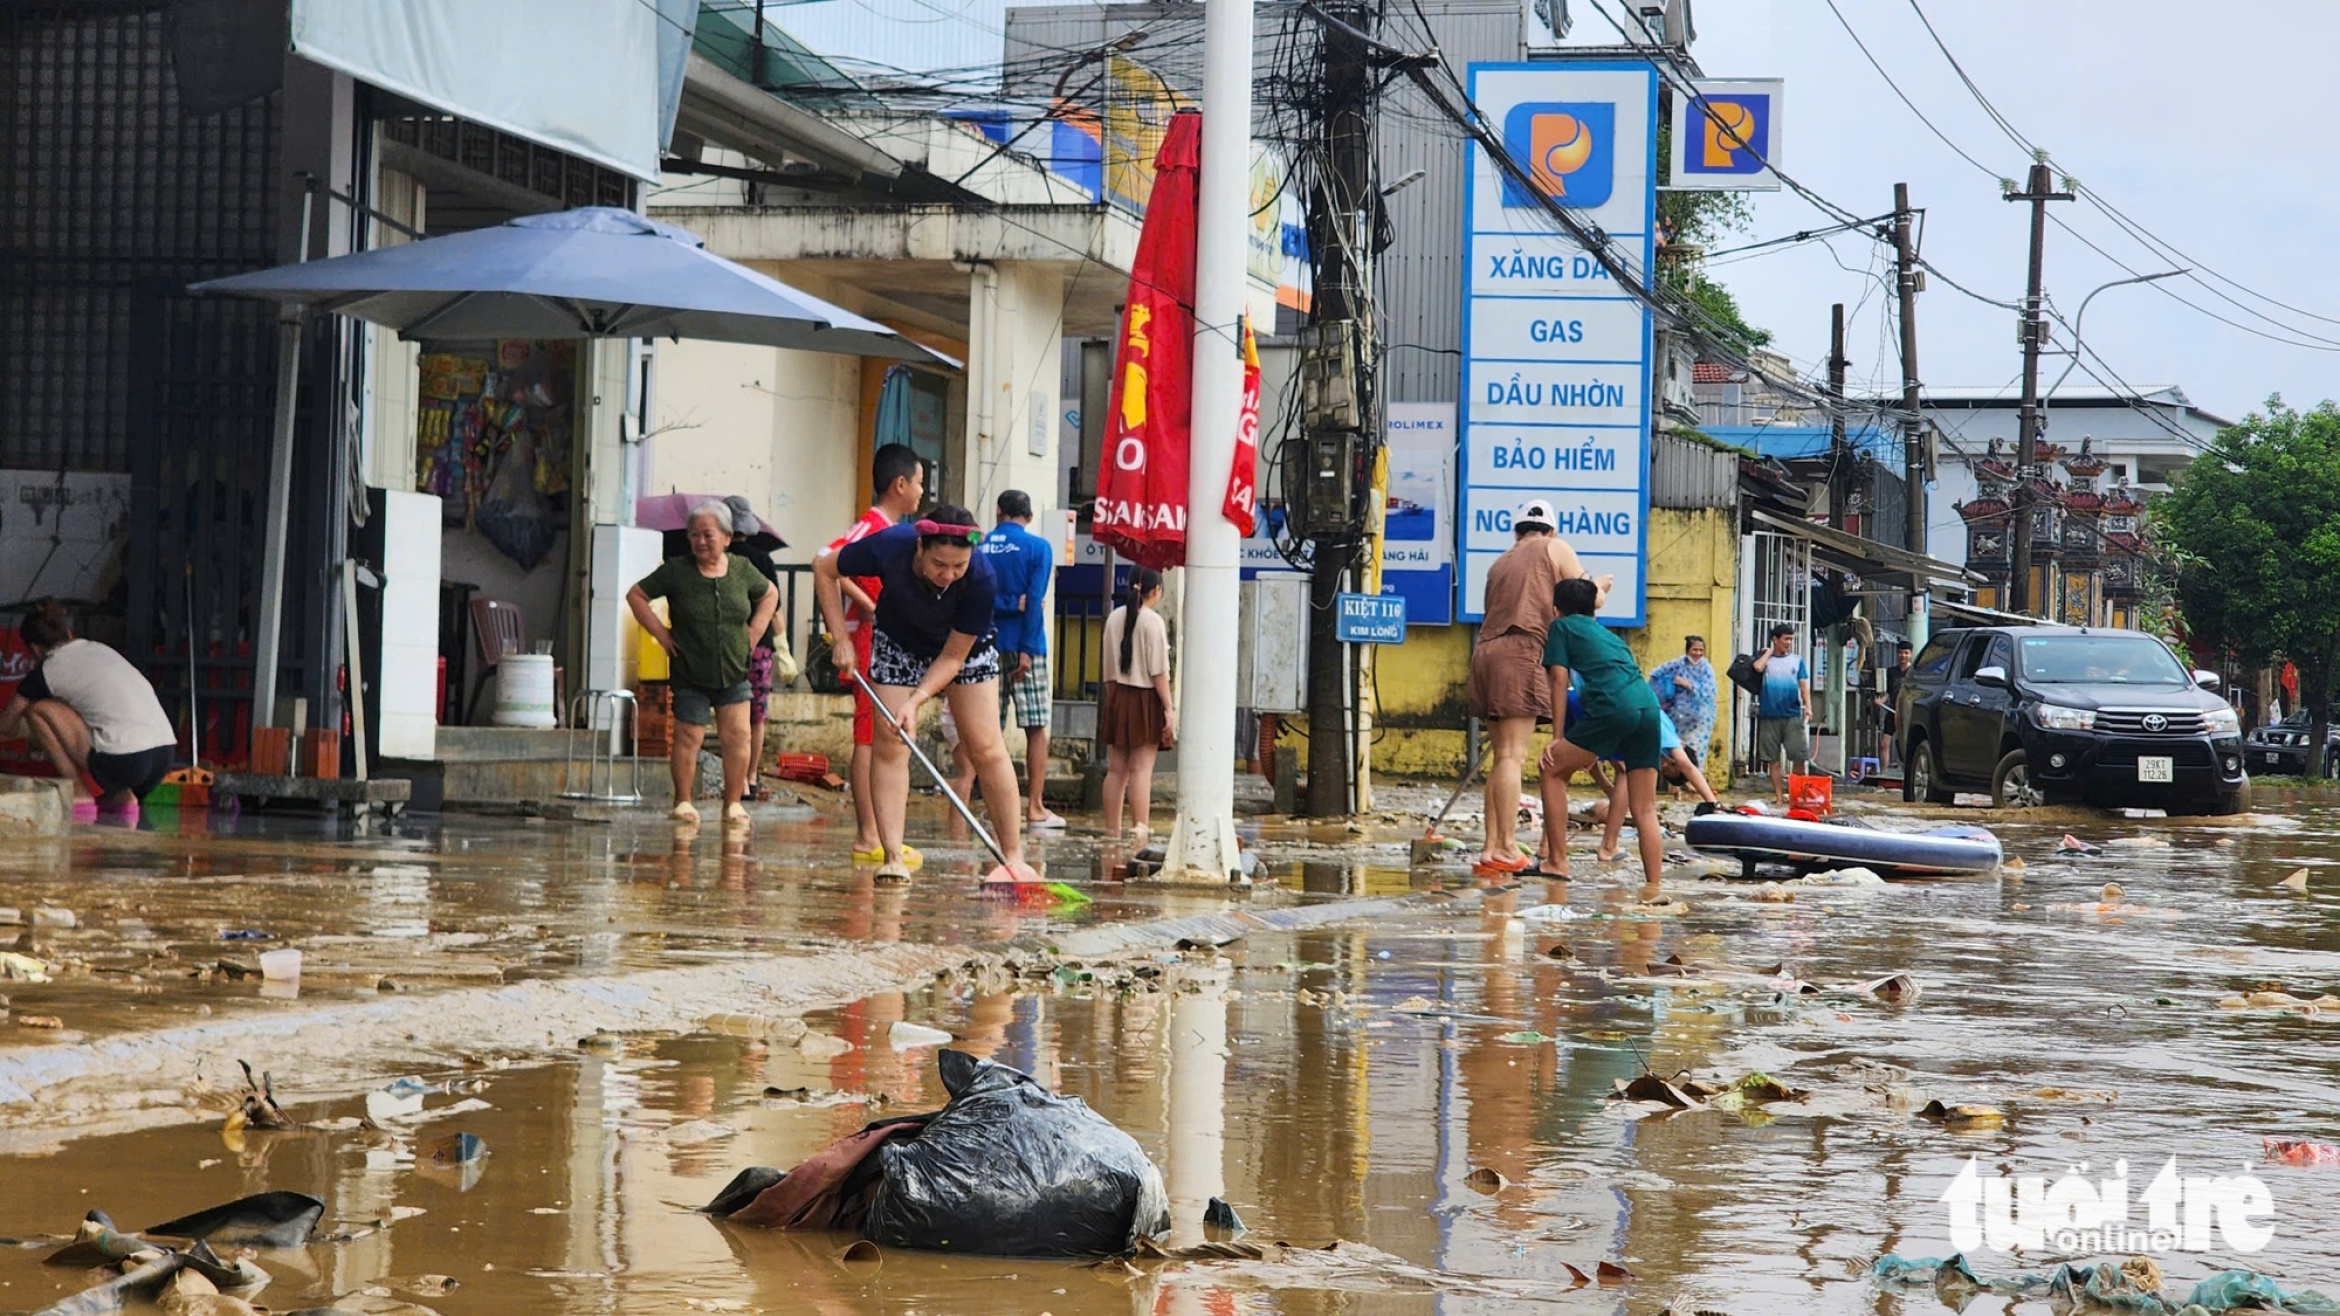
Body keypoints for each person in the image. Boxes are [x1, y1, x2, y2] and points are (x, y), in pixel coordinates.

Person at [814, 504, 1028, 884]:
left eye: (958, 566)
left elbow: (953, 656)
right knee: (890, 739)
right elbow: (824, 568)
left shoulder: (981, 577)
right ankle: (892, 856)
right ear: (920, 549)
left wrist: (916, 700)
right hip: (898, 640)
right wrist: (841, 638)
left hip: (961, 648)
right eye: (939, 565)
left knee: (985, 746)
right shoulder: (891, 544)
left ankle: (1012, 859)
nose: (948, 576)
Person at [627, 502, 778, 828]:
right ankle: (683, 800)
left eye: (708, 534)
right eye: (694, 535)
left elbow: (770, 594)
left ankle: (733, 804)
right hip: (690, 670)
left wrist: (755, 631)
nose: (700, 541)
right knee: (688, 736)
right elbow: (636, 596)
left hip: (734, 669)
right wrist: (661, 635)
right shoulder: (677, 570)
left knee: (738, 737)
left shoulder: (741, 569)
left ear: (726, 537)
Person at [1464, 498, 1585, 874]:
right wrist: (1601, 586)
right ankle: (1506, 846)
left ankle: (1490, 849)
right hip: (1520, 650)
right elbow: (1582, 598)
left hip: (1485, 653)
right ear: (1551, 530)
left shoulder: (1500, 561)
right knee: (1514, 756)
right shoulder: (1556, 547)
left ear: (1517, 531)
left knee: (1502, 757)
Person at [818, 444, 926, 866]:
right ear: (900, 484)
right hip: (868, 639)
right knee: (870, 735)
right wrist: (870, 604)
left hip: (883, 638)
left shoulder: (890, 528)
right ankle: (869, 835)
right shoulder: (873, 528)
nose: (920, 492)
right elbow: (827, 561)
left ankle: (878, 832)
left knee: (878, 734)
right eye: (918, 482)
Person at [1536, 577, 1667, 894]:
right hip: (1649, 709)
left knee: (1551, 769)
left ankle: (1556, 862)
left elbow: (1558, 677)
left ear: (1556, 609)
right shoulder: (1607, 635)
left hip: (1613, 707)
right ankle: (1654, 888)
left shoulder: (1561, 627)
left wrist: (1556, 735)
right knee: (1645, 808)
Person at [0, 599, 177, 823]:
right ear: (70, 634)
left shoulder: (48, 669)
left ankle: (78, 792)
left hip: (126, 761)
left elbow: (5, 727)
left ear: (34, 649)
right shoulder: (98, 649)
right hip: (163, 756)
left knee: (37, 710)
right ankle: (123, 799)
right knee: (97, 719)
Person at [951, 490, 1062, 828]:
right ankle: (1035, 807)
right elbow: (1035, 600)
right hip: (1026, 644)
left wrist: (1006, 603)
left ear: (999, 512)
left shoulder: (979, 545)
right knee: (1036, 728)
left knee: (985, 729)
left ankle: (982, 803)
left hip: (982, 642)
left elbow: (967, 594)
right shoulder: (1039, 548)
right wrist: (1027, 649)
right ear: (1027, 516)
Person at [722, 495, 788, 802]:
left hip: (722, 647)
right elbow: (775, 607)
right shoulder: (762, 560)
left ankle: (732, 780)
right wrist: (784, 647)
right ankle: (750, 777)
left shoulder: (715, 558)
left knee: (728, 712)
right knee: (756, 715)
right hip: (759, 648)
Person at [1101, 568, 1172, 838]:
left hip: (1118, 695)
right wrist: (1168, 707)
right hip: (1145, 698)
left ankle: (1111, 830)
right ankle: (1140, 828)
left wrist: (1114, 699)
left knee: (1116, 769)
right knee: (1141, 769)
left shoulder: (1113, 618)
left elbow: (1109, 669)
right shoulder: (1153, 622)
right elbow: (1159, 673)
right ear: (1156, 590)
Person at [1752, 623, 1812, 805]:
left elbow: (1803, 685)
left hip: (1792, 714)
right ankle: (1778, 797)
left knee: (1799, 757)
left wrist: (1808, 706)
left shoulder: (1797, 660)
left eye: (1791, 639)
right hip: (1769, 714)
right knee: (1773, 760)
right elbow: (1757, 667)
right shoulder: (1766, 659)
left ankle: (1795, 795)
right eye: (1785, 639)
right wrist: (1769, 652)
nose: (1789, 643)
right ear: (1775, 639)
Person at [1646, 636, 1717, 767]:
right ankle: (1674, 785)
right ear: (1687, 650)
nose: (1698, 653)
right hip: (1678, 717)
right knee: (1676, 750)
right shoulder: (1677, 665)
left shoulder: (1706, 669)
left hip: (1700, 718)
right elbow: (1656, 673)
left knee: (1696, 750)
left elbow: (1709, 691)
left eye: (1701, 650)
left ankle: (1693, 783)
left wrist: (1687, 684)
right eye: (1695, 650)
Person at [1874, 638, 1913, 769]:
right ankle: (1883, 773)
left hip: (1907, 714)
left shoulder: (1914, 672)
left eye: (1906, 653)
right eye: (1901, 653)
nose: (1903, 656)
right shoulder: (1891, 672)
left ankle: (1907, 774)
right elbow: (1889, 692)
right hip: (1892, 712)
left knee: (1908, 745)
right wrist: (1881, 701)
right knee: (1884, 743)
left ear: (1910, 654)